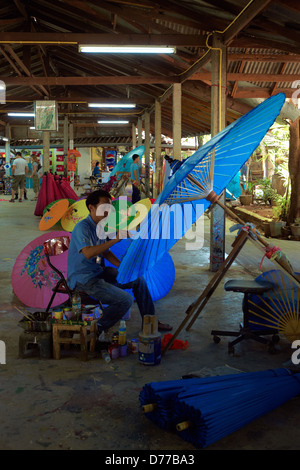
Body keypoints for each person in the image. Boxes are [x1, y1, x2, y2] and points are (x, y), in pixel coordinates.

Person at [67, 189, 172, 339]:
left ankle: (150, 321)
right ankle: (96, 329)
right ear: (91, 207)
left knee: (137, 280)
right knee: (125, 300)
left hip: (98, 272)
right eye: (104, 207)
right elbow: (89, 252)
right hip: (83, 278)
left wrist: (124, 267)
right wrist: (115, 239)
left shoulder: (101, 226)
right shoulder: (82, 228)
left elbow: (106, 252)